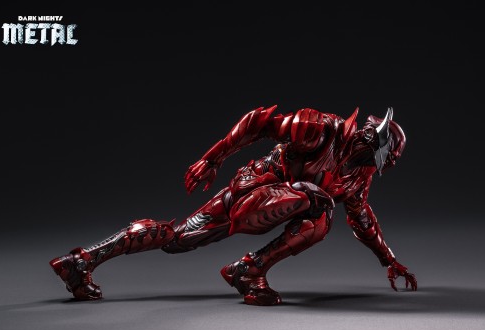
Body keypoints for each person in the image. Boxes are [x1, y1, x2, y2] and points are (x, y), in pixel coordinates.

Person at [49, 105, 417, 306]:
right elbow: (259, 123)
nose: (375, 160)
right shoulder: (321, 128)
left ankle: (81, 262)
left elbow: (361, 214)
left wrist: (388, 259)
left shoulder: (358, 174)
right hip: (253, 189)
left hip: (271, 200)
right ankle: (249, 270)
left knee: (176, 239)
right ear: (372, 139)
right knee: (319, 204)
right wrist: (212, 158)